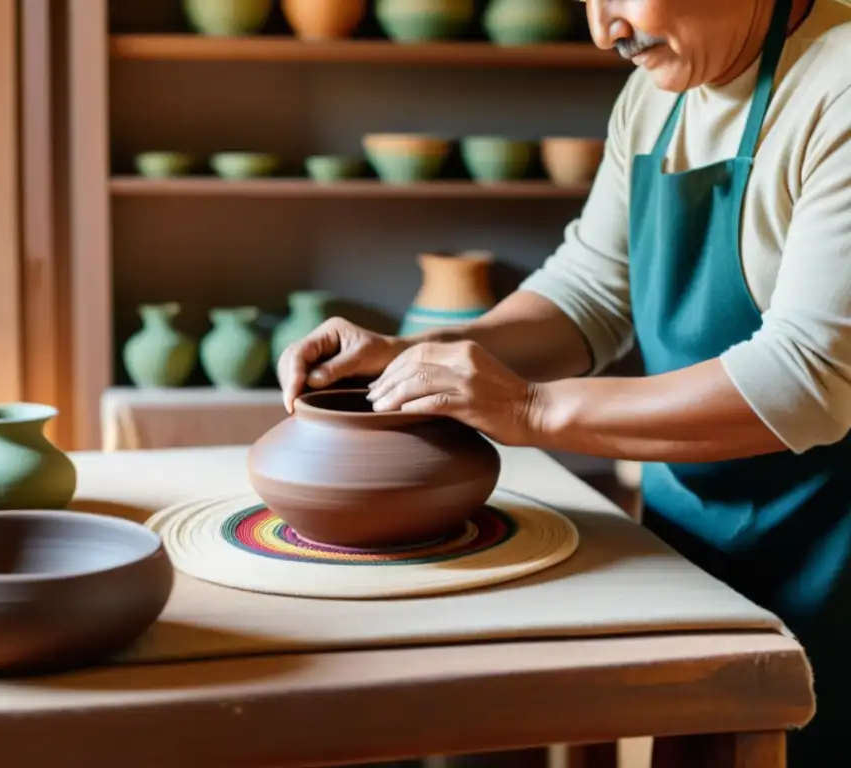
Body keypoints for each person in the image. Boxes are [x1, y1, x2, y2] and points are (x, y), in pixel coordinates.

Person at [276, 0, 851, 763]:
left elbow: (808, 377)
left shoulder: (837, 86)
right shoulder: (654, 97)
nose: (603, 27)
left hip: (833, 561)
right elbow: (589, 295)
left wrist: (530, 408)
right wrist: (420, 353)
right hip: (695, 548)